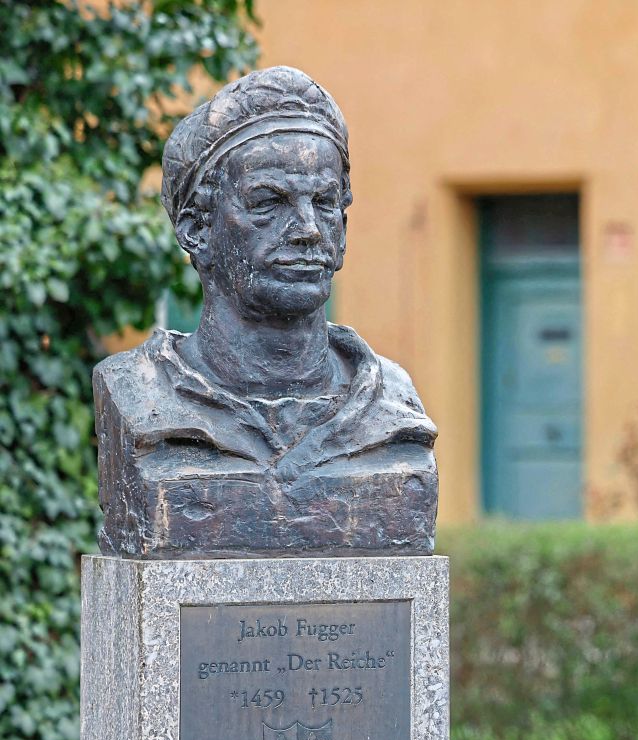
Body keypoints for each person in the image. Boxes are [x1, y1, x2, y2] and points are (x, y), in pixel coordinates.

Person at [93, 66, 437, 558]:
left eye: (324, 203)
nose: (308, 229)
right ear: (197, 228)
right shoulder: (139, 398)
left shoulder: (394, 412)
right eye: (269, 202)